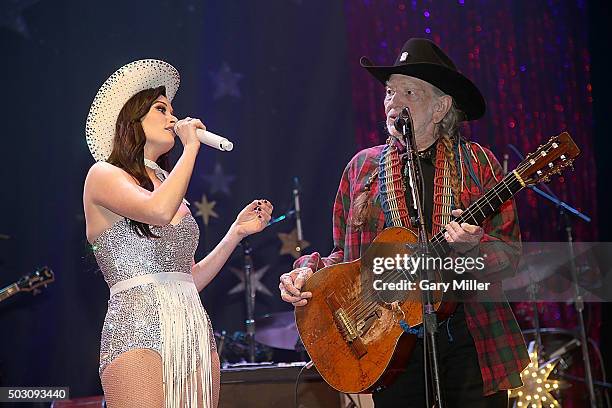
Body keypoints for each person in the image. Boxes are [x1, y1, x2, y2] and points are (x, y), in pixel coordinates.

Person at [279, 39, 529, 407]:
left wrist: (474, 249)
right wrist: (306, 274)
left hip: (469, 336)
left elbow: (511, 254)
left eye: (408, 91)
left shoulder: (478, 164)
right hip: (388, 343)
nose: (393, 102)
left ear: (441, 106)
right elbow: (343, 257)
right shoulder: (362, 167)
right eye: (389, 92)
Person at [83, 59, 273, 408]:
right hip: (137, 327)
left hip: (191, 326)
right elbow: (157, 211)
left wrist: (234, 234)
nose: (173, 118)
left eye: (173, 110)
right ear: (132, 119)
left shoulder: (169, 185)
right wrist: (192, 148)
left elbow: (188, 277)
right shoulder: (103, 175)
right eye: (160, 109)